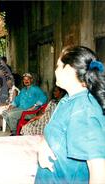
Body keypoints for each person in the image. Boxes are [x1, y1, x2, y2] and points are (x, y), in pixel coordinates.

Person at [35, 46, 105, 183]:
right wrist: (44, 145)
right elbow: (54, 129)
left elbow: (99, 171)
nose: (55, 70)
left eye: (58, 66)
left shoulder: (84, 110)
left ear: (68, 70)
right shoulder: (68, 99)